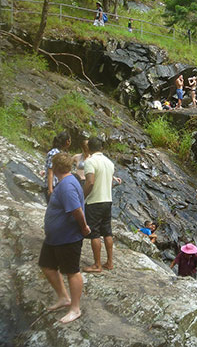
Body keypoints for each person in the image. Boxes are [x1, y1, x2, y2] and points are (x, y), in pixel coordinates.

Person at [38, 152, 90, 324]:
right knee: (47, 265)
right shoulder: (66, 181)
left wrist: (84, 228)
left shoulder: (67, 186)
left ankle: (75, 309)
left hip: (68, 237)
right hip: (56, 237)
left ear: (55, 167)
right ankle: (63, 298)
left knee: (72, 272)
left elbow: (76, 210)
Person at [82, 137, 122, 273]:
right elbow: (110, 183)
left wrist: (82, 196)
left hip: (94, 201)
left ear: (88, 149)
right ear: (101, 148)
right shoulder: (109, 163)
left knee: (94, 233)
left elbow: (90, 182)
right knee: (107, 231)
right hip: (107, 200)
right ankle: (110, 262)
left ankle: (97, 265)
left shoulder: (90, 162)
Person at [46, 131, 71, 202]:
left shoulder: (62, 153)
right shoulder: (54, 153)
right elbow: (50, 171)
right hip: (54, 186)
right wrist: (50, 190)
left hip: (60, 185)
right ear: (67, 141)